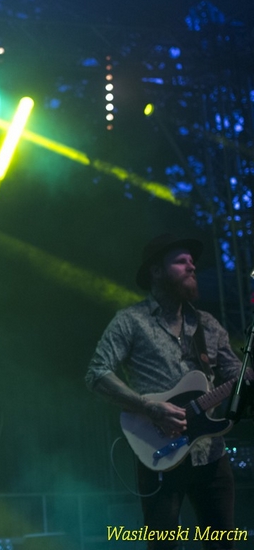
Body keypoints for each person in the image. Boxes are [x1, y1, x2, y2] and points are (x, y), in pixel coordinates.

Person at [85, 234, 244, 549]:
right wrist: (149, 408)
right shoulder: (130, 321)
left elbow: (235, 375)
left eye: (192, 261)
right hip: (158, 451)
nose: (192, 266)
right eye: (181, 261)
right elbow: (97, 373)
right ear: (156, 271)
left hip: (211, 454)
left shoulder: (208, 324)